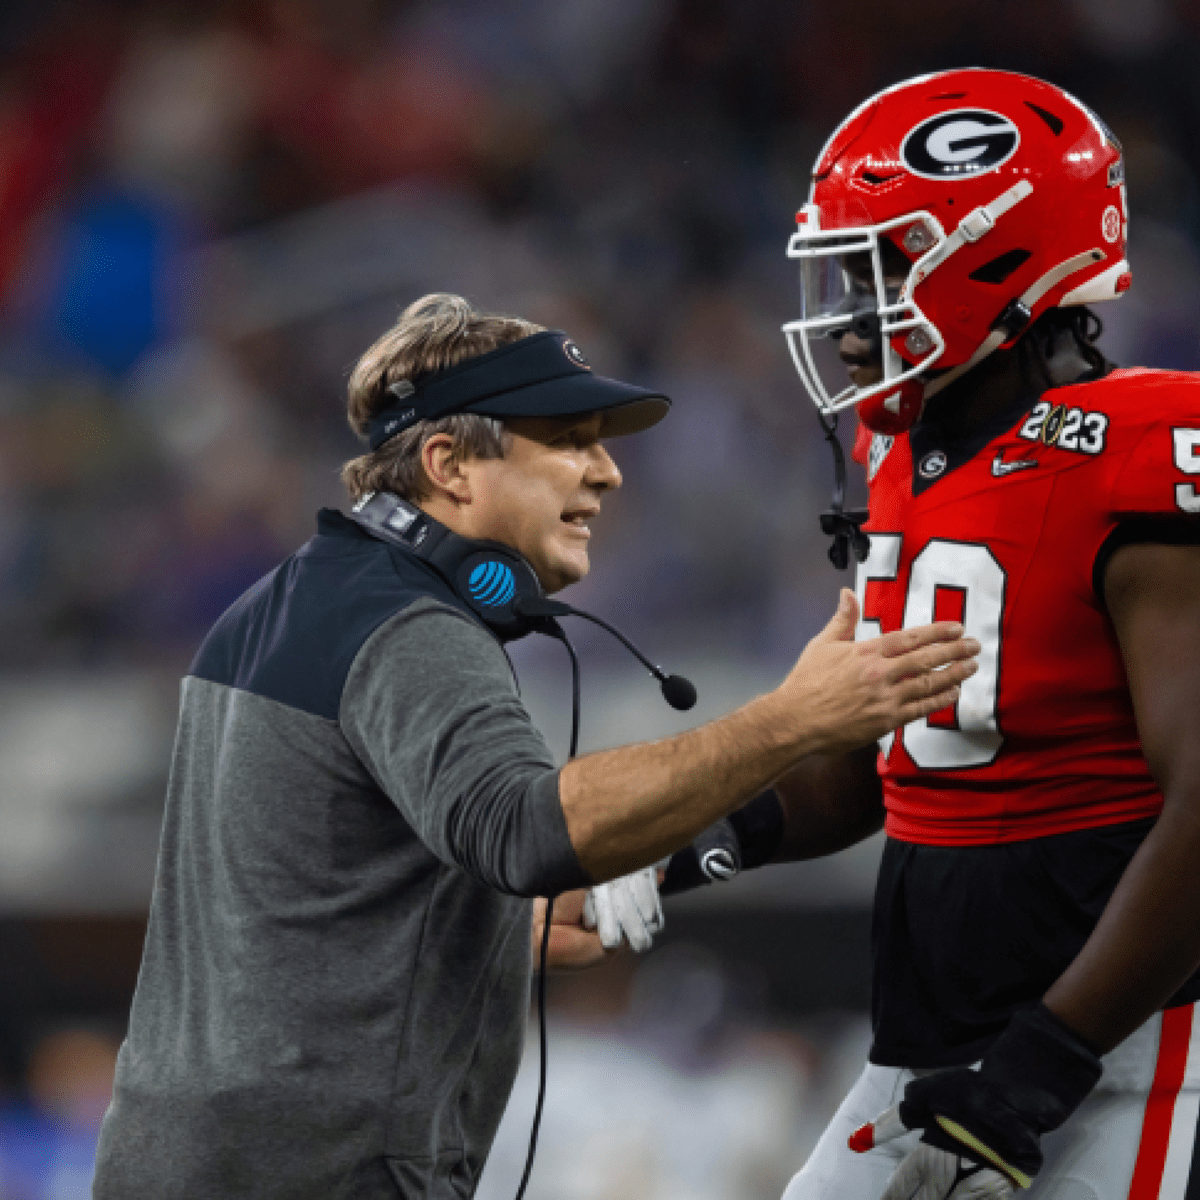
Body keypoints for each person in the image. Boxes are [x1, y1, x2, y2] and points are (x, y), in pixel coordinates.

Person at [91, 293, 976, 1200]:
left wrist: (480, 932)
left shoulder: (274, 608)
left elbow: (295, 896)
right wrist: (789, 717)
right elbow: (526, 834)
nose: (607, 473)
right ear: (449, 465)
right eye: (568, 439)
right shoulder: (409, 627)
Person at [740, 67, 1200, 1200]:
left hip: (1116, 1061)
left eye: (880, 266)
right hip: (925, 1058)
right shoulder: (903, 460)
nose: (850, 307)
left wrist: (1047, 1061)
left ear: (998, 253)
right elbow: (869, 772)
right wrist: (668, 861)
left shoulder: (1137, 447)